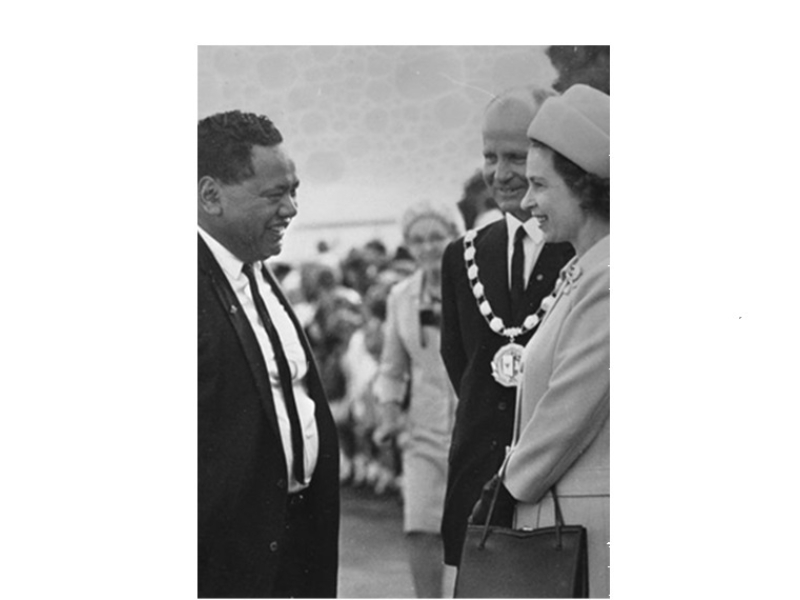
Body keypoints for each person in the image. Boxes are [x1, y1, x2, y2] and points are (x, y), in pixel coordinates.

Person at [470, 84, 610, 597]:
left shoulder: (611, 278)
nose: (526, 202)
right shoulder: (585, 271)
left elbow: (568, 411)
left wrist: (503, 490)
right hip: (562, 514)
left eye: (540, 185)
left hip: (589, 531)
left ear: (584, 187)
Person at [197, 110, 339, 598]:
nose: (292, 209)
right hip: (227, 566)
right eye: (275, 194)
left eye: (294, 190)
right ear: (210, 196)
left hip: (294, 548)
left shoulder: (257, 272)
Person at [439, 87, 575, 569]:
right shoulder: (463, 255)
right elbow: (463, 368)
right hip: (476, 485)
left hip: (561, 489)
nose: (500, 173)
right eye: (489, 156)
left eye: (516, 156)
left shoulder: (585, 250)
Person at [373, 200, 462, 597]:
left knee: (475, 533)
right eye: (418, 240)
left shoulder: (478, 290)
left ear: (455, 238)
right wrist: (389, 414)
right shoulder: (400, 297)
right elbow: (392, 369)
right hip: (423, 430)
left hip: (473, 430)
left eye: (437, 237)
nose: (428, 247)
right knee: (421, 527)